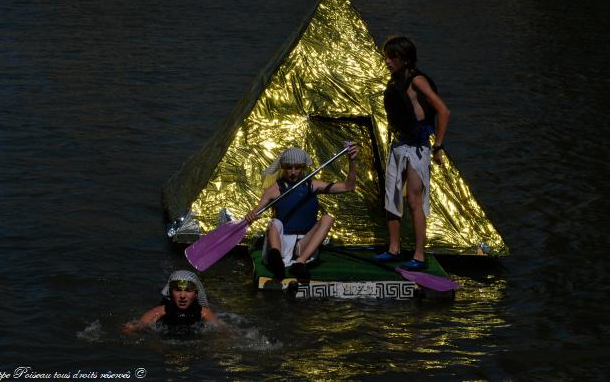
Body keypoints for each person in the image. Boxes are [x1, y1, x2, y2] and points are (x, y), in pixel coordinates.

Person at [376, 36, 450, 271]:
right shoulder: (396, 79)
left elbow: (443, 111)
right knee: (392, 198)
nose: (387, 61)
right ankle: (393, 248)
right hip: (399, 144)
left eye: (392, 57)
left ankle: (419, 255)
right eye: (386, 56)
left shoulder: (417, 81)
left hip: (417, 147)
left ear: (404, 58)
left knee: (414, 200)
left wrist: (438, 146)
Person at [245, 143, 359, 280]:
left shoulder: (313, 185)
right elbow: (256, 212)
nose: (293, 172)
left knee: (328, 218)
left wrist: (352, 160)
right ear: (283, 167)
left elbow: (349, 186)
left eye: (297, 168)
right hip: (282, 243)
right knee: (274, 223)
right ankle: (276, 259)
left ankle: (300, 263)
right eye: (289, 168)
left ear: (303, 168)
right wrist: (251, 215)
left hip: (303, 245)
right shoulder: (274, 190)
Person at [124, 270, 219, 334]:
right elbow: (129, 330)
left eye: (188, 291)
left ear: (196, 293)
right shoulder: (159, 312)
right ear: (170, 292)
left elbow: (224, 334)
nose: (182, 296)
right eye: (177, 290)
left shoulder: (204, 313)